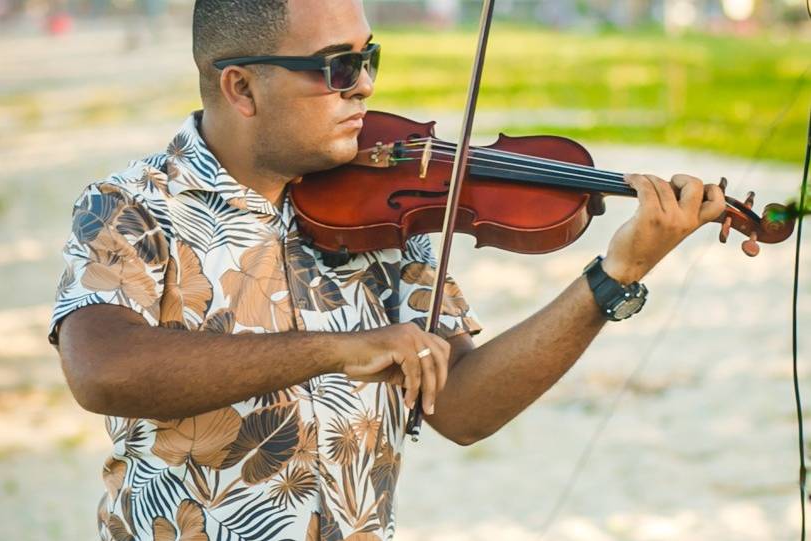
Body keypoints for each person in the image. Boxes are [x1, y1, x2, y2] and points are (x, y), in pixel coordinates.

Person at [48, 0, 727, 539]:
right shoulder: (132, 208)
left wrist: (612, 276)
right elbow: (103, 368)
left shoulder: (382, 211)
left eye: (368, 56)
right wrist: (337, 350)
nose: (366, 84)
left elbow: (459, 403)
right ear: (242, 88)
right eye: (337, 67)